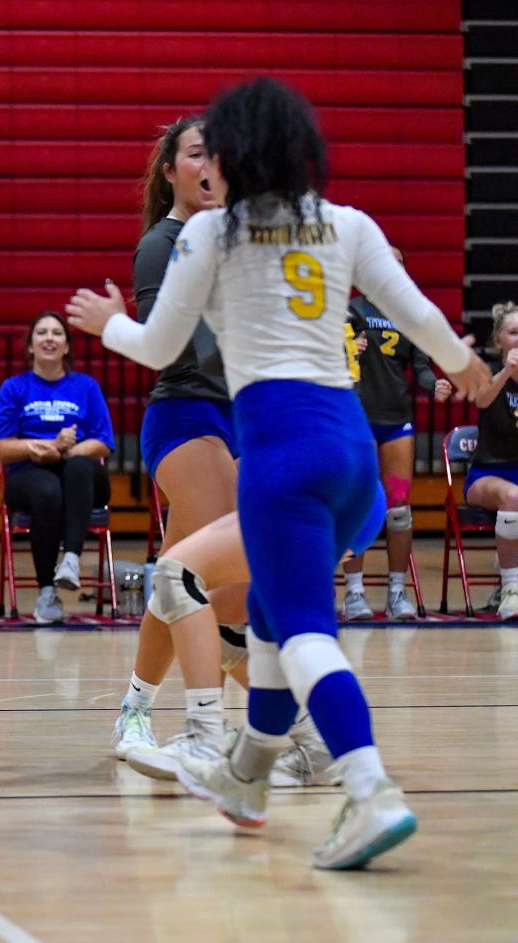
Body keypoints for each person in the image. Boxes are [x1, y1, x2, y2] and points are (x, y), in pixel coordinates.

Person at [66, 77, 487, 869]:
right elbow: (421, 318)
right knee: (264, 612)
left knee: (300, 633)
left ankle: (371, 791)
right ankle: (248, 775)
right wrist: (465, 367)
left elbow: (158, 348)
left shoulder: (211, 235)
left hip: (282, 456)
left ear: (232, 156)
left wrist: (105, 322)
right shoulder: (347, 222)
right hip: (354, 449)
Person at [111, 117, 332, 788]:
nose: (213, 164)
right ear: (172, 171)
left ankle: (136, 713)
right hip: (188, 417)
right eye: (197, 153)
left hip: (247, 422)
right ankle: (220, 730)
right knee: (223, 589)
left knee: (181, 580)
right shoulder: (165, 243)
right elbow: (169, 341)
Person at [340, 246, 453, 621]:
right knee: (357, 505)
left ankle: (396, 592)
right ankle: (354, 594)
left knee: (399, 510)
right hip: (357, 419)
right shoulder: (350, 310)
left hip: (396, 419)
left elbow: (420, 368)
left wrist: (433, 384)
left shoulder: (409, 317)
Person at [0, 311, 114, 623]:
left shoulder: (86, 387)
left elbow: (103, 442)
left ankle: (71, 558)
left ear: (67, 346)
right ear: (31, 345)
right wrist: (39, 449)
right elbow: (3, 448)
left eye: (57, 333)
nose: (49, 338)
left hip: (81, 474)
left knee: (77, 468)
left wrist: (65, 451)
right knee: (47, 492)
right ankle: (48, 592)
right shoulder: (14, 388)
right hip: (29, 474)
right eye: (42, 332)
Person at [464, 301, 518, 619]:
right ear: (498, 341)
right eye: (513, 332)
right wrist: (507, 371)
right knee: (513, 497)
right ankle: (511, 589)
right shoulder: (488, 371)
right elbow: (482, 399)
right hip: (488, 474)